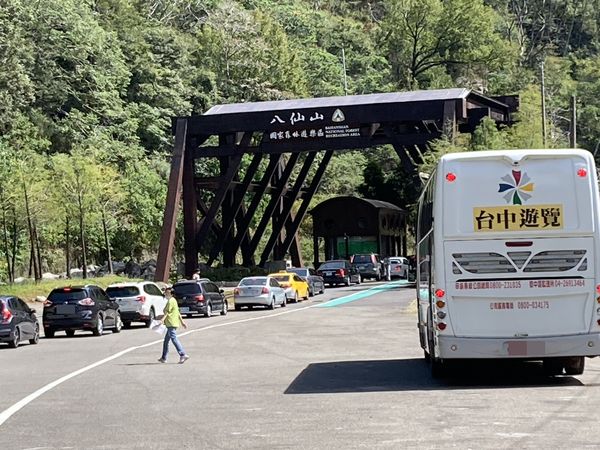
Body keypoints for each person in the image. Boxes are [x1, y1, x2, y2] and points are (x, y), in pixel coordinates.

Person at [158, 287, 189, 364]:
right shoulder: (173, 300)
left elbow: (167, 312)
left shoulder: (170, 301)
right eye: (166, 293)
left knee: (174, 339)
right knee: (166, 341)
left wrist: (162, 320)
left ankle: (182, 354)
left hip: (171, 323)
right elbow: (178, 312)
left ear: (171, 294)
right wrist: (182, 322)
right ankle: (164, 357)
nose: (166, 294)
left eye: (168, 293)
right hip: (172, 323)